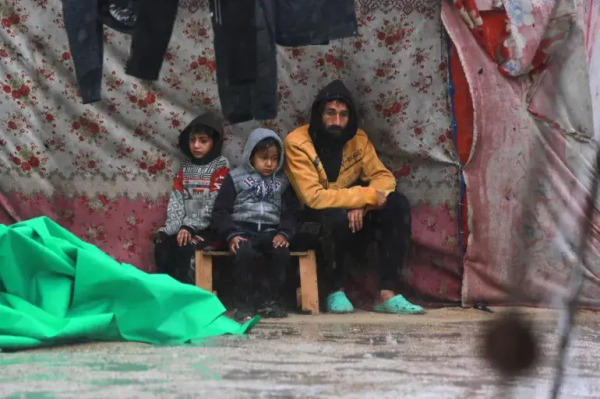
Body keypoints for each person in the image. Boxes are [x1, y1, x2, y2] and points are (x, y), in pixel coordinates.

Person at [283, 80, 424, 315]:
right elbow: (313, 198)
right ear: (319, 113)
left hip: (352, 221)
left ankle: (386, 293)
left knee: (396, 204)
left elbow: (384, 178)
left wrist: (365, 205)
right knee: (335, 216)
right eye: (330, 113)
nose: (337, 122)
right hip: (308, 226)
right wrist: (363, 196)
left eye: (343, 115)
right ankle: (333, 290)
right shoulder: (297, 143)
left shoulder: (358, 139)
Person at [212, 128, 298, 322]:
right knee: (245, 254)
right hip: (241, 231)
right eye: (263, 157)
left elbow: (290, 213)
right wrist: (231, 234)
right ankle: (243, 304)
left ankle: (271, 301)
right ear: (251, 155)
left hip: (270, 232)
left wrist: (284, 233)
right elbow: (220, 211)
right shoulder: (235, 177)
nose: (269, 164)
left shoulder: (283, 181)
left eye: (275, 158)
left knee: (281, 252)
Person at [154, 113, 230, 284]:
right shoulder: (186, 166)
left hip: (210, 229)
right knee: (162, 247)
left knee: (185, 248)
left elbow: (214, 202)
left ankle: (187, 297)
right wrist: (170, 229)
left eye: (203, 141)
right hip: (185, 228)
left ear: (214, 142)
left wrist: (190, 226)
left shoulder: (221, 165)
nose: (196, 145)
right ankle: (167, 293)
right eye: (192, 140)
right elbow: (177, 198)